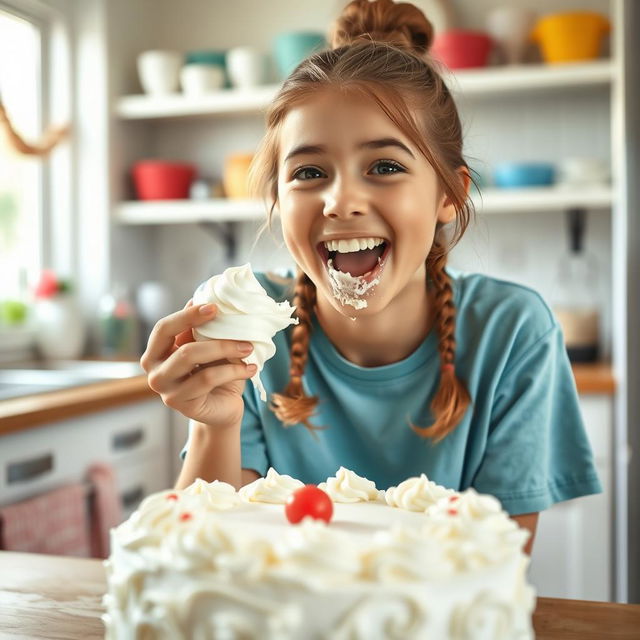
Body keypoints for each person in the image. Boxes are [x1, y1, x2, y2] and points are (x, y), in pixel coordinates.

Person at [140, 0, 601, 555]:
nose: (341, 201)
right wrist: (214, 424)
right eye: (309, 172)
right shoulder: (246, 327)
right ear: (277, 200)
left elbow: (494, 567)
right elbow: (200, 562)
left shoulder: (512, 333)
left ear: (449, 195)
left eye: (384, 166)